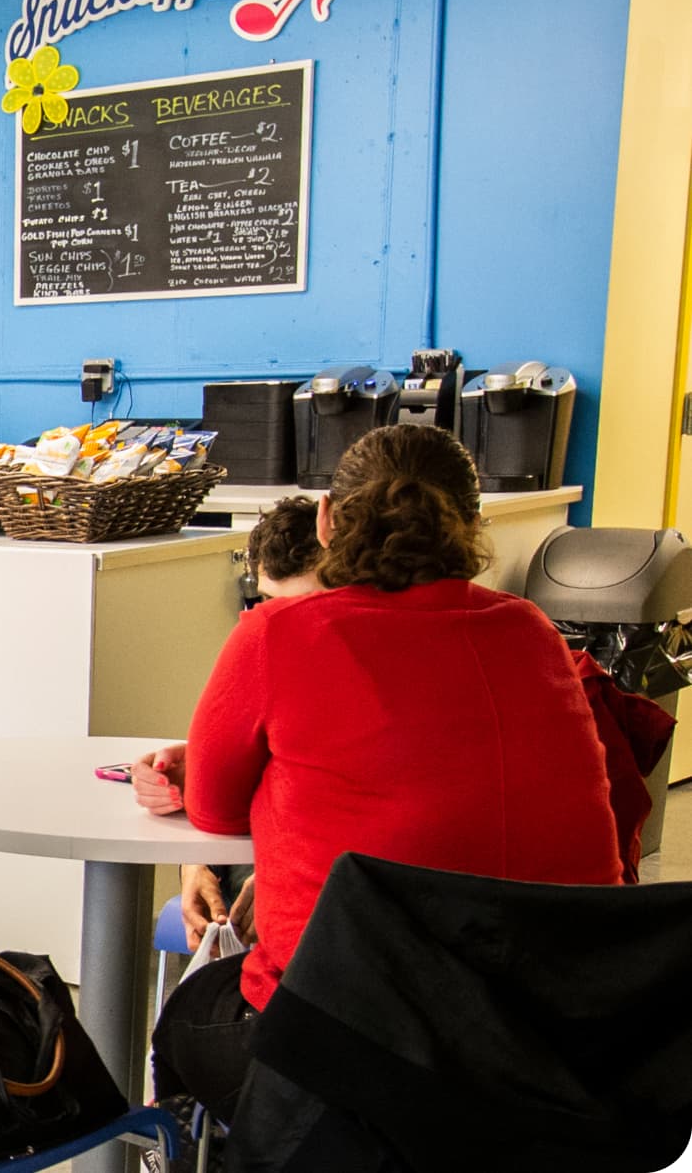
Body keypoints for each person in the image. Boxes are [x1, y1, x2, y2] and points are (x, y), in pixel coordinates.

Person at [134, 425, 622, 1144]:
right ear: (475, 526)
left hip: (350, 1054)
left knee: (188, 1017)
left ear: (327, 519)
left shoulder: (278, 633)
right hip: (550, 1052)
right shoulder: (531, 631)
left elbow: (210, 805)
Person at [177, 495, 324, 955]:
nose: (281, 619)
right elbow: (218, 790)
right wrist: (193, 864)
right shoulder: (260, 646)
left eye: (306, 605)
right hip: (261, 853)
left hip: (309, 868)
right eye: (267, 602)